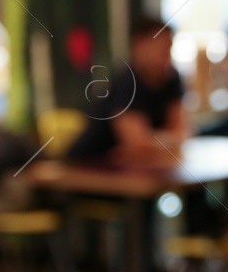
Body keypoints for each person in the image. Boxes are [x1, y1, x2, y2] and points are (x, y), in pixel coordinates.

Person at [66, 17, 187, 165]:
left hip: (127, 172)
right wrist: (164, 139)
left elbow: (183, 132)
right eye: (160, 48)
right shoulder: (127, 80)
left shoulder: (172, 79)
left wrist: (151, 140)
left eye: (168, 48)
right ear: (139, 45)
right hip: (83, 167)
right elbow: (138, 143)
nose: (166, 56)